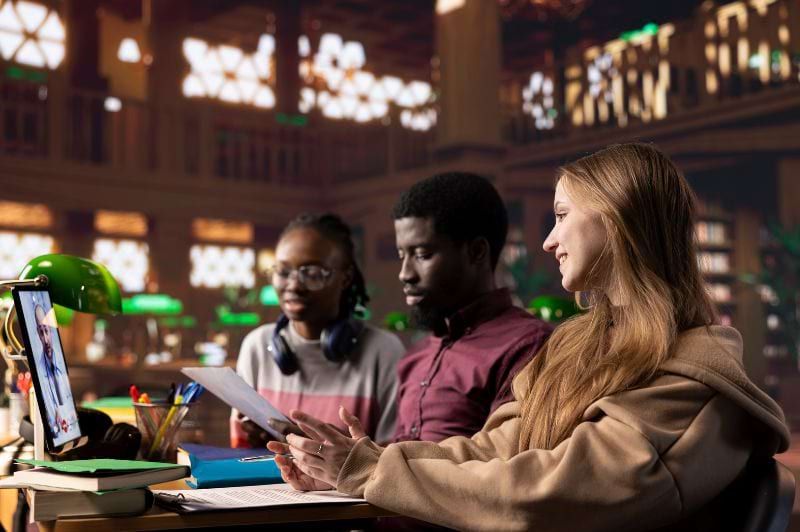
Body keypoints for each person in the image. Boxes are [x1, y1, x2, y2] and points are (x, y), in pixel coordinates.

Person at [268, 143, 789, 531]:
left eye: (562, 217)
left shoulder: (695, 373)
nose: (548, 240)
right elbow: (495, 450)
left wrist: (372, 474)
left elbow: (549, 494)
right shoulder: (573, 346)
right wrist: (361, 469)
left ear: (616, 221)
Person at [389, 172, 551, 443]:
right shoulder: (413, 360)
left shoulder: (529, 347)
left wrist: (370, 463)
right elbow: (395, 457)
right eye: (401, 255)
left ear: (476, 252)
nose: (405, 274)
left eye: (422, 255)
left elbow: (500, 464)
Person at [230, 212, 405, 447]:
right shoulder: (257, 346)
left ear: (345, 278)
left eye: (312, 274)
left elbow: (393, 462)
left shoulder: (383, 352)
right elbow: (238, 452)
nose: (293, 286)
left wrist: (312, 447)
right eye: (283, 272)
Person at [34, 303, 65, 434]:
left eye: (46, 331)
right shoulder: (39, 372)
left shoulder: (61, 363)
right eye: (41, 333)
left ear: (51, 331)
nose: (46, 340)